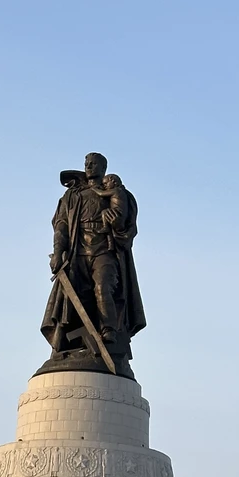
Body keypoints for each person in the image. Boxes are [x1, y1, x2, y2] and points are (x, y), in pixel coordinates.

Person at [39, 153, 146, 376]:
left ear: (103, 167)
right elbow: (61, 225)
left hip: (104, 249)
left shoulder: (115, 192)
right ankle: (74, 345)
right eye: (86, 163)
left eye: (93, 163)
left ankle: (108, 331)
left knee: (103, 287)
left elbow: (125, 223)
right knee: (75, 299)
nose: (88, 166)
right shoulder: (73, 195)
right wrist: (59, 251)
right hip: (78, 252)